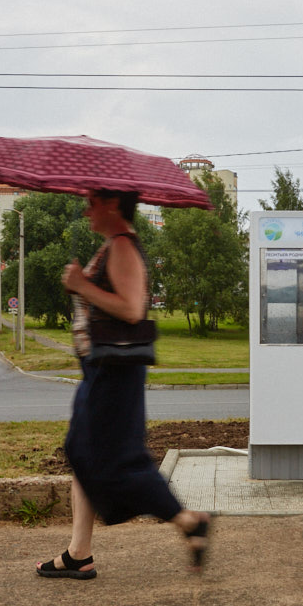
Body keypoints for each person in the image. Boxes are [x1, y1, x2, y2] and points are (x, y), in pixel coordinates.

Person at [36, 189, 211, 580]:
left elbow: (132, 309)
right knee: (84, 453)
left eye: (92, 202)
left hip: (114, 372)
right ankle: (79, 551)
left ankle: (188, 521)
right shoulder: (112, 247)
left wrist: (82, 285)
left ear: (113, 204)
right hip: (101, 369)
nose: (86, 210)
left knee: (118, 462)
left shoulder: (123, 247)